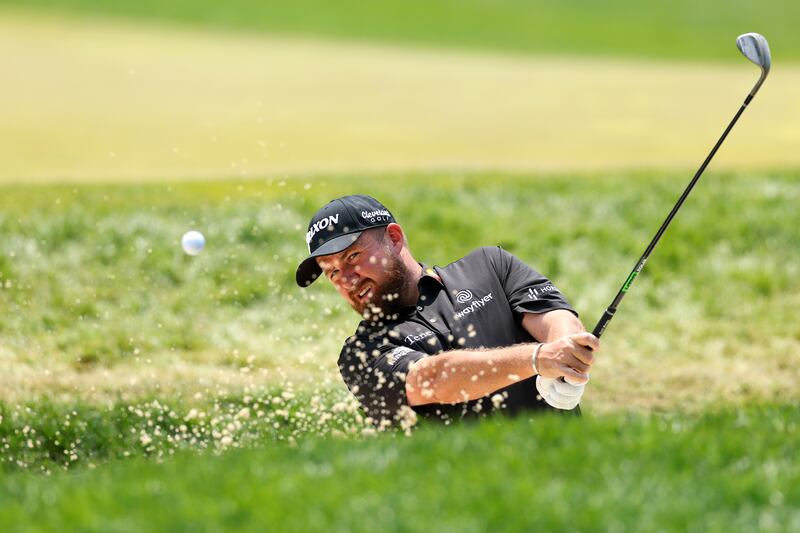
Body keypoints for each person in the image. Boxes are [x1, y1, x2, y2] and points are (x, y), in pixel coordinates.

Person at [296, 195, 599, 427]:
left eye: (353, 257)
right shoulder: (361, 354)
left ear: (394, 238)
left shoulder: (489, 267)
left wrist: (566, 360)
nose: (347, 280)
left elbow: (555, 317)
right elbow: (433, 380)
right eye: (333, 272)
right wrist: (538, 359)